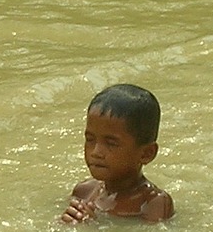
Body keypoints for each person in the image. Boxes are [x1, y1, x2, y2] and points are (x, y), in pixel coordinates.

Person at [61, 84, 173, 224]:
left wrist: (94, 228)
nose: (96, 152)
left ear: (146, 154)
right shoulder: (84, 192)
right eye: (90, 140)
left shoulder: (152, 203)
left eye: (111, 143)